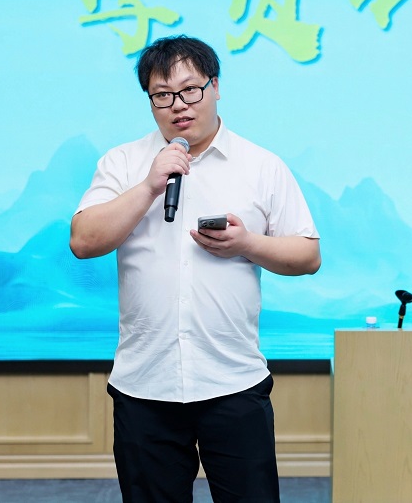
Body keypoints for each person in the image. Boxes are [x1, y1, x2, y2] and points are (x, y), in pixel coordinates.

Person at [70, 35, 320, 503]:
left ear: (215, 87)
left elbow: (308, 256)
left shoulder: (261, 165)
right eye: (162, 96)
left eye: (190, 90)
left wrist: (247, 243)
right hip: (144, 384)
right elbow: (83, 241)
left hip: (233, 381)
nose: (178, 106)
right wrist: (149, 185)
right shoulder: (123, 163)